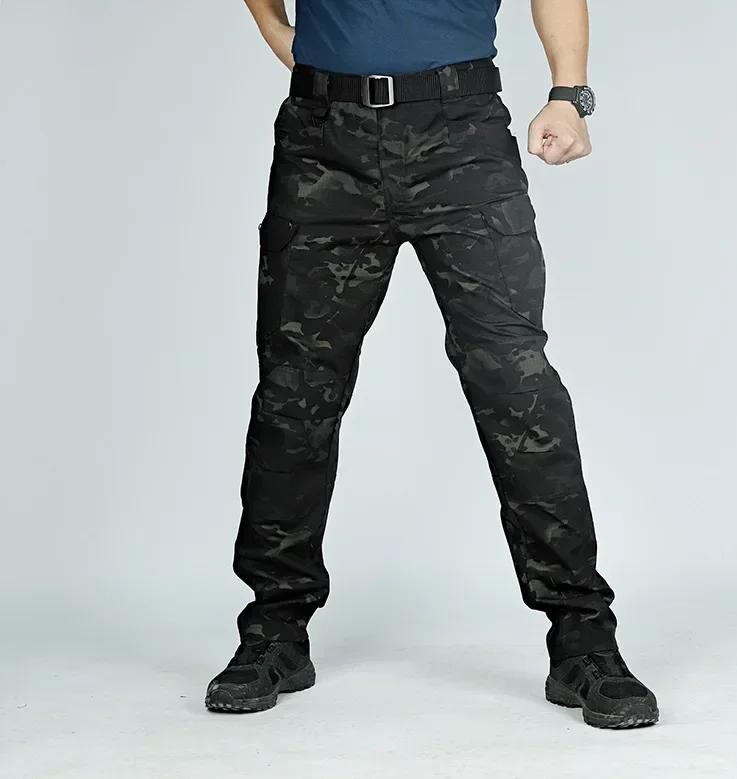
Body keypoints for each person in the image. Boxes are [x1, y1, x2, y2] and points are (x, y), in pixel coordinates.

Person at [205, 0, 659, 729]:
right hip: (323, 139)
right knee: (296, 389)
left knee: (516, 385)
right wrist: (273, 27)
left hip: (461, 134)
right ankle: (273, 631)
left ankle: (583, 640)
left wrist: (568, 92)